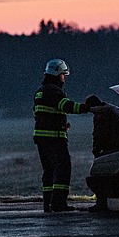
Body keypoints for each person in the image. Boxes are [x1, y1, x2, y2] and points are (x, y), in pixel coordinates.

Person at [33, 58, 90, 212]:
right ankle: (59, 204)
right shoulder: (54, 91)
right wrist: (88, 108)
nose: (64, 78)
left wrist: (60, 124)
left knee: (49, 171)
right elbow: (66, 106)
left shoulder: (40, 91)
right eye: (64, 75)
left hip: (41, 139)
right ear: (58, 74)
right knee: (63, 168)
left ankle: (48, 204)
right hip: (55, 138)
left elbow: (39, 114)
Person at [86, 94, 119, 212]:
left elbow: (100, 134)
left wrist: (97, 149)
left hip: (115, 146)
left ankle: (101, 203)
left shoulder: (104, 114)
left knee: (100, 174)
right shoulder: (115, 109)